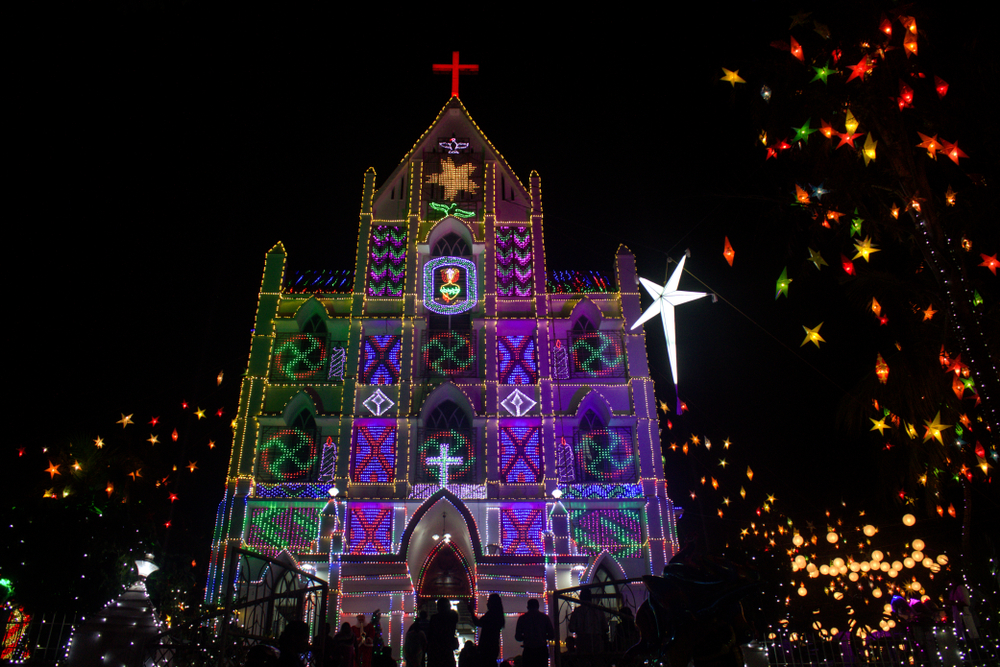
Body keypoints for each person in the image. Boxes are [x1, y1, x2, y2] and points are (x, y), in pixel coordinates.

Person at [514, 599, 553, 667]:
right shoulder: (545, 618)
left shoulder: (522, 618)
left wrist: (526, 637)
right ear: (538, 606)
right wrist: (543, 636)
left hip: (528, 651)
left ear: (528, 607)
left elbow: (518, 637)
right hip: (541, 651)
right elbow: (552, 635)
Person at [468, 594, 504, 667]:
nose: (487, 604)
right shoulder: (499, 616)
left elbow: (478, 623)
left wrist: (471, 612)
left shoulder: (490, 615)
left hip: (486, 647)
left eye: (489, 602)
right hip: (493, 647)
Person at [567, 589, 606, 654]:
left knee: (584, 660)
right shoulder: (598, 610)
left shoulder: (577, 611)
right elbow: (605, 628)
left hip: (582, 640)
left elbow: (571, 628)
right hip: (597, 639)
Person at [427, 599, 459, 667]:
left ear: (438, 607)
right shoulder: (452, 618)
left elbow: (430, 635)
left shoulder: (434, 618)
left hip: (435, 651)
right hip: (448, 649)